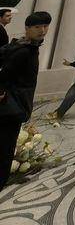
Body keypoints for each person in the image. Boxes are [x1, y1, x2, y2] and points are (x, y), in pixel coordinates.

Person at [0, 11, 51, 192]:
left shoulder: (21, 45)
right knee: (5, 147)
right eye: (37, 27)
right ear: (27, 28)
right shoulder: (24, 51)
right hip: (11, 106)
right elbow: (4, 75)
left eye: (45, 26)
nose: (42, 30)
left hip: (12, 104)